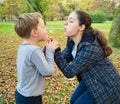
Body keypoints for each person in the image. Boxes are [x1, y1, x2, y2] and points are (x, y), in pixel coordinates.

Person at [53, 10, 120, 104]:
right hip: (91, 79)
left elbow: (69, 72)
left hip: (106, 84)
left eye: (71, 21)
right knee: (73, 100)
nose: (66, 23)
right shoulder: (72, 40)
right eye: (67, 20)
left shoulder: (90, 47)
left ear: (81, 27)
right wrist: (51, 50)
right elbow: (64, 59)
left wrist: (56, 51)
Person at [14, 12, 59, 104]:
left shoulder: (23, 47)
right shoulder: (34, 51)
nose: (45, 29)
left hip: (22, 95)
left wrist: (46, 49)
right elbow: (48, 72)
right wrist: (50, 51)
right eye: (43, 27)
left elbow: (34, 61)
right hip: (30, 99)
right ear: (34, 33)